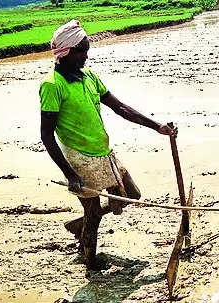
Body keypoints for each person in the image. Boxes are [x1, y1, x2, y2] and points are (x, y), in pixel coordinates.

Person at [39, 20, 176, 269]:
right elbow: (47, 135)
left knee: (131, 194)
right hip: (78, 158)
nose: (86, 56)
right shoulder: (52, 85)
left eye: (86, 49)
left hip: (103, 151)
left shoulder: (89, 77)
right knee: (94, 214)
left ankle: (81, 224)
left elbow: (120, 108)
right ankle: (91, 264)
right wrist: (70, 174)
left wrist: (158, 127)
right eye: (81, 51)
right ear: (66, 52)